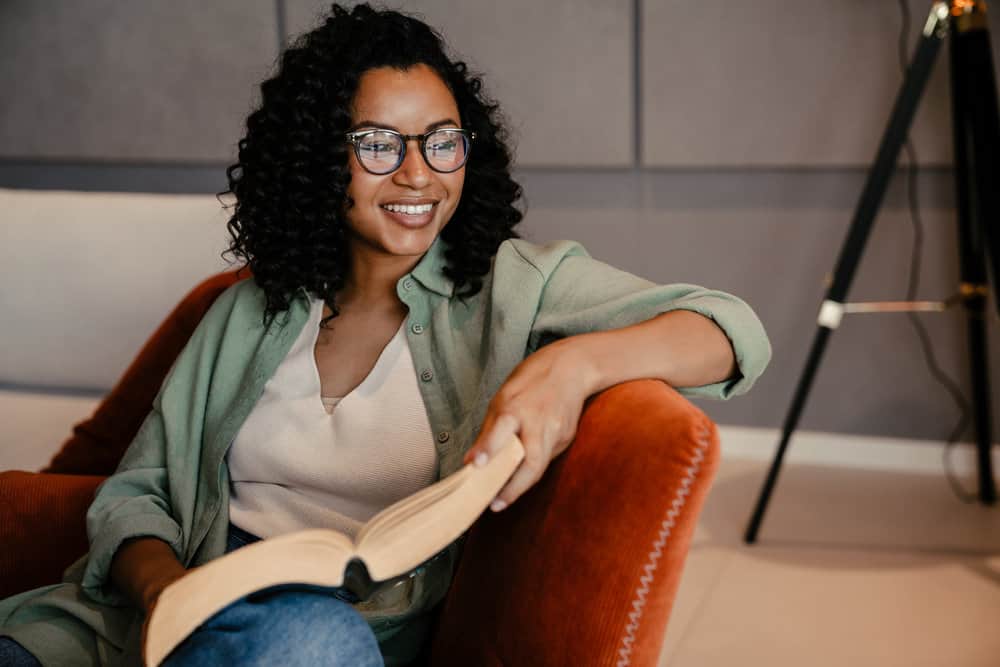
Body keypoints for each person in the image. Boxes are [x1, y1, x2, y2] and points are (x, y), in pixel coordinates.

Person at [0, 3, 771, 666]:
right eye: (377, 144)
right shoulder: (250, 310)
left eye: (442, 140)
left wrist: (576, 364)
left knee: (312, 640)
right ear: (318, 161)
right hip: (137, 625)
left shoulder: (513, 287)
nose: (418, 174)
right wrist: (168, 591)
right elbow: (140, 492)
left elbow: (732, 331)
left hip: (329, 636)